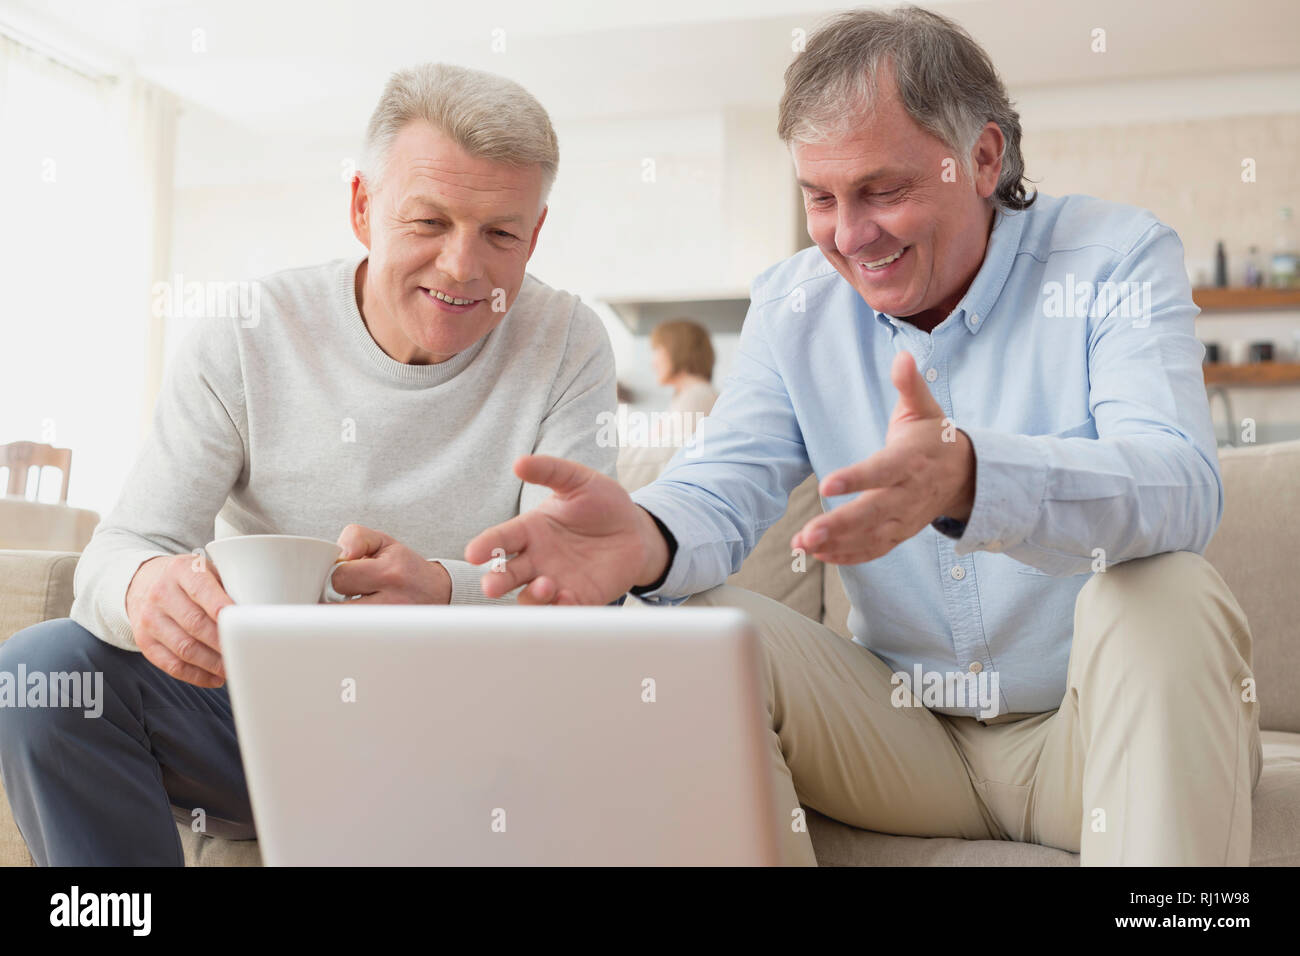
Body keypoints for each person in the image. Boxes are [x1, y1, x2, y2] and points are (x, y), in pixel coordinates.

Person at [466, 6, 1259, 866]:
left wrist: (972, 478)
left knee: (1163, 594)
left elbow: (1178, 484)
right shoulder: (793, 306)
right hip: (905, 738)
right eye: (821, 197)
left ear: (984, 158)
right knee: (695, 626)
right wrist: (649, 535)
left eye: (883, 190)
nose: (849, 235)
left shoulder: (1113, 259)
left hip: (1094, 736)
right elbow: (723, 486)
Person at [0, 63, 617, 865]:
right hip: (259, 728)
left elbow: (576, 585)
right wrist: (145, 588)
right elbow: (121, 550)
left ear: (534, 235)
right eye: (428, 222)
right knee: (41, 672)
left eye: (500, 234)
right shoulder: (250, 335)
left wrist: (440, 592)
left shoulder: (568, 341)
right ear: (363, 208)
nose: (462, 267)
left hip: (472, 737)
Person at [617, 319, 719, 491]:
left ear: (678, 349)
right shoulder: (691, 396)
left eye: (657, 350)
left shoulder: (697, 397)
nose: (653, 362)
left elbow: (667, 462)